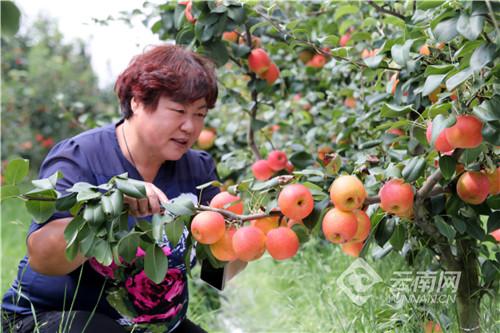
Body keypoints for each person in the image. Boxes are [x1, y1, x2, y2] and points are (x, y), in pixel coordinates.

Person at [1, 45, 242, 332]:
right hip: (55, 317)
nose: (190, 127)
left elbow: (216, 274)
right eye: (178, 110)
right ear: (138, 101)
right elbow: (43, 259)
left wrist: (250, 236)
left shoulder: (198, 168)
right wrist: (107, 206)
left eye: (200, 114)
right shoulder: (79, 156)